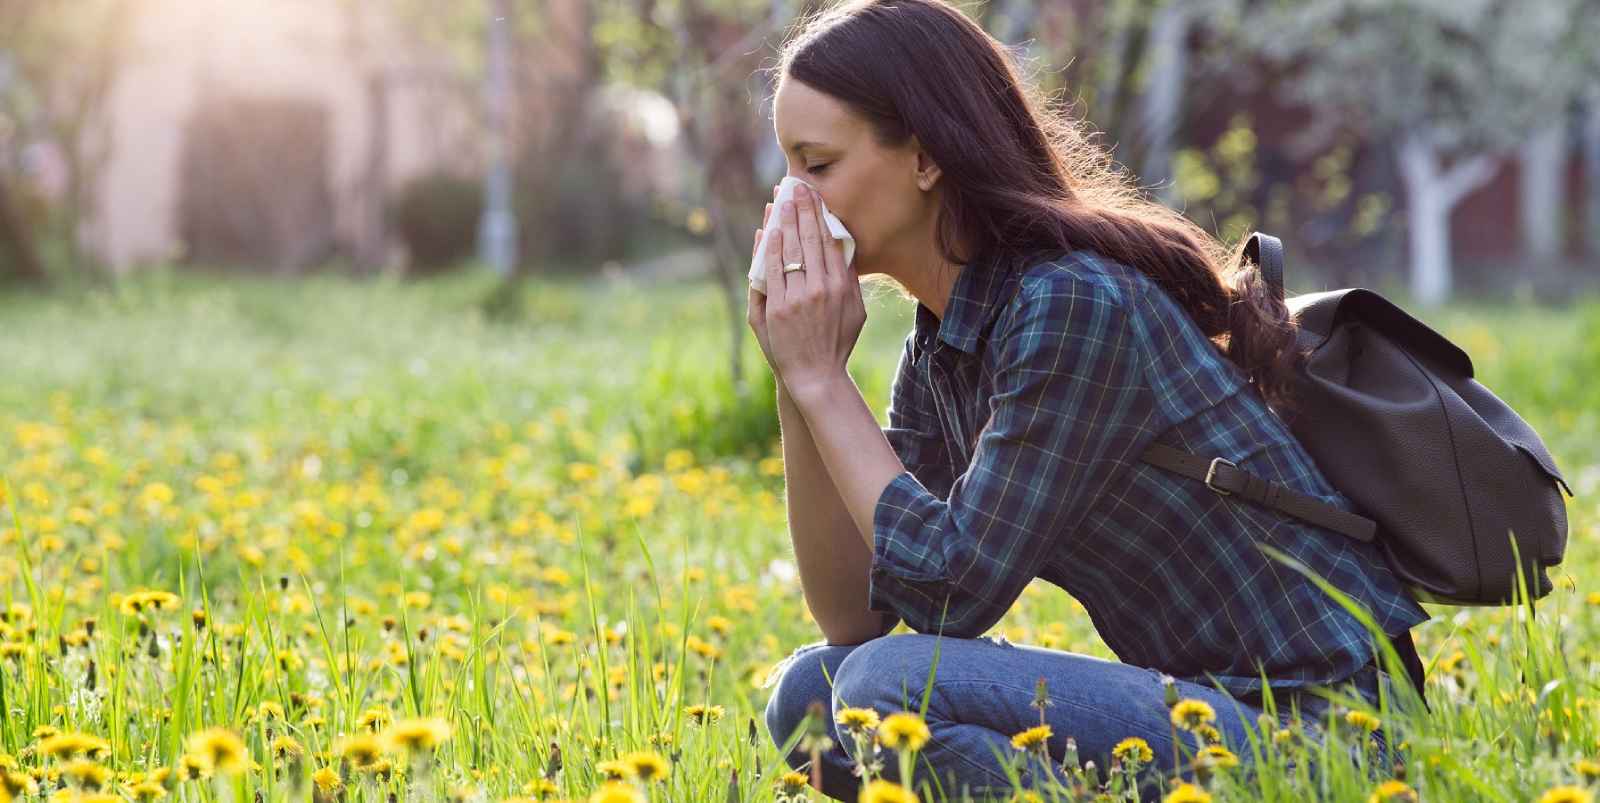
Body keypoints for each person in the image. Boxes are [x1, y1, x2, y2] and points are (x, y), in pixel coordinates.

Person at [745, 1, 1429, 801]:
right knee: (811, 698)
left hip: (1330, 736)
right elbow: (855, 617)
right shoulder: (943, 343)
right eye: (787, 167)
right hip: (1209, 711)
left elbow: (951, 592)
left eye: (816, 165)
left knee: (884, 689)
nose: (792, 200)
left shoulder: (1069, 303)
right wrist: (801, 380)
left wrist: (826, 382)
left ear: (924, 158)